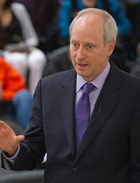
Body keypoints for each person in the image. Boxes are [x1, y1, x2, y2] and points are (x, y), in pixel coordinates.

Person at [1, 8, 140, 183]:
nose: (79, 55)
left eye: (89, 46)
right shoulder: (47, 88)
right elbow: (33, 154)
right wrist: (13, 150)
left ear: (110, 47)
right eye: (75, 45)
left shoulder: (134, 93)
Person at [0, 0, 47, 94]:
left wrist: (26, 45)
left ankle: (36, 96)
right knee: (18, 60)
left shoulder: (18, 8)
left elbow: (32, 37)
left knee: (38, 58)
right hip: (5, 51)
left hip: (25, 47)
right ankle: (20, 95)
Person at [0, 56, 33, 129]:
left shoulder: (1, 62)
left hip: (5, 105)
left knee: (25, 96)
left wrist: (3, 95)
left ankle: (29, 137)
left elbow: (18, 86)